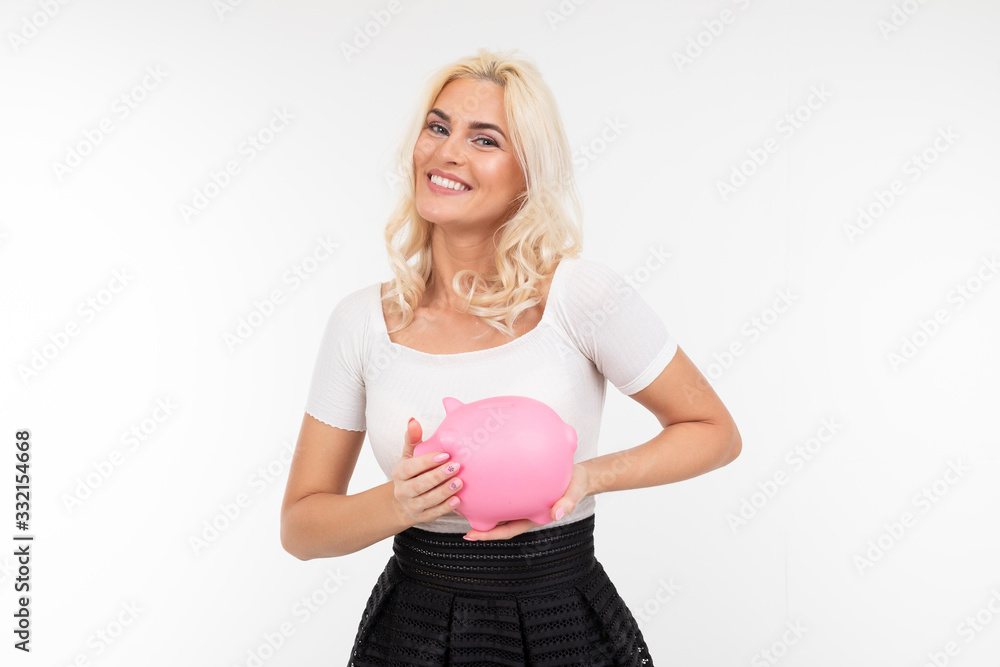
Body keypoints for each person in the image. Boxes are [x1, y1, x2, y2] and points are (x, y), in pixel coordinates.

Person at [280, 48, 742, 666]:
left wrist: (586, 478)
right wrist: (399, 503)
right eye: (438, 127)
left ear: (528, 173)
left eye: (484, 139)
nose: (448, 152)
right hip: (414, 633)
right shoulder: (360, 322)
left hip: (563, 625)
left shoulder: (582, 297)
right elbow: (301, 528)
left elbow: (715, 432)